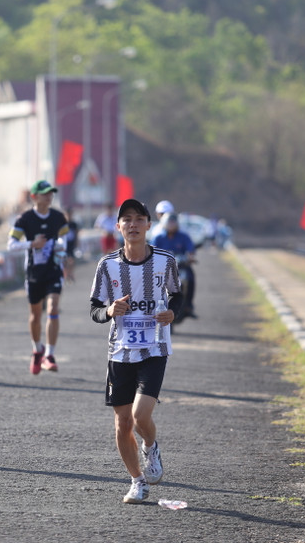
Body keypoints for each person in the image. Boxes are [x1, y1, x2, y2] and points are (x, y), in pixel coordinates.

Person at [89, 199, 184, 503]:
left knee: (140, 415)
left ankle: (151, 447)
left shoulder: (165, 261)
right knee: (122, 423)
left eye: (139, 219)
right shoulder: (107, 265)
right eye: (126, 219)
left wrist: (173, 312)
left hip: (155, 347)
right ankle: (137, 481)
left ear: (148, 225)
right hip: (120, 351)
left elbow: (177, 295)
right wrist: (109, 310)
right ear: (118, 227)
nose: (133, 224)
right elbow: (95, 309)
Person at [7, 179, 69, 374]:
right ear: (34, 197)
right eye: (45, 193)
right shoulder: (25, 219)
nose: (49, 196)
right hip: (34, 273)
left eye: (51, 193)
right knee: (35, 316)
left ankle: (49, 355)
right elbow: (11, 245)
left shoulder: (58, 217)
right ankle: (37, 350)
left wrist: (61, 249)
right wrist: (32, 244)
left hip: (53, 271)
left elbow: (65, 239)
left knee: (53, 307)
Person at [152, 213, 197, 319]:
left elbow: (191, 251)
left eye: (173, 222)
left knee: (190, 277)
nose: (171, 225)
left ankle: (188, 305)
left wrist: (190, 257)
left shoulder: (184, 237)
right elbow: (151, 251)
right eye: (169, 222)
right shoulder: (158, 237)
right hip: (162, 268)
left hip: (180, 267)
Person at [63, 209, 79, 283]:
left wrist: (76, 243)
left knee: (71, 260)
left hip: (71, 244)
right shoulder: (63, 223)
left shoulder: (73, 224)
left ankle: (71, 273)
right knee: (65, 261)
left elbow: (76, 234)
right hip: (64, 244)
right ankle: (66, 274)